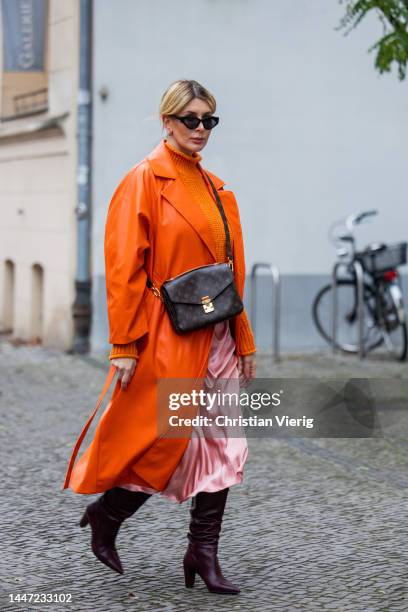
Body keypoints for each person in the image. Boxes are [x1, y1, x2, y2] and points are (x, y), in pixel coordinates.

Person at [62, 79, 256, 595]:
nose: (200, 130)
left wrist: (244, 338)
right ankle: (108, 514)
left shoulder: (217, 189)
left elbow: (231, 273)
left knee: (225, 445)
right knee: (164, 440)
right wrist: (124, 345)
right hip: (167, 335)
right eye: (190, 119)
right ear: (167, 121)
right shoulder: (145, 180)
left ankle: (202, 551)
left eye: (208, 120)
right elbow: (124, 267)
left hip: (216, 338)